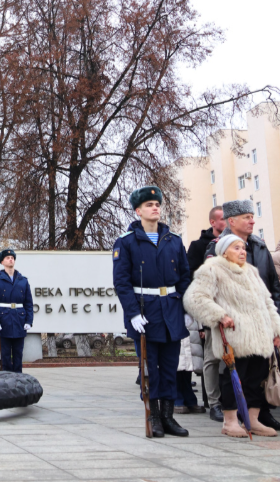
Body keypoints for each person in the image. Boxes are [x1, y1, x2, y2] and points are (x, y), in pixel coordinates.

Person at [112, 186, 191, 438]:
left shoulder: (174, 240)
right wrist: (133, 313)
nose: (155, 207)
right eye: (148, 204)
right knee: (150, 369)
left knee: (170, 367)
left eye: (157, 203)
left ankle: (168, 417)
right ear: (138, 211)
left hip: (171, 311)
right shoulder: (126, 242)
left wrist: (187, 308)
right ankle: (154, 416)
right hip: (145, 313)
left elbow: (185, 278)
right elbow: (122, 282)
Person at [184, 234, 280, 437]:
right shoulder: (212, 269)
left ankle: (252, 421)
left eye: (243, 248)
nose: (242, 251)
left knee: (258, 377)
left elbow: (267, 303)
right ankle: (230, 421)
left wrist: (276, 330)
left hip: (260, 336)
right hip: (235, 335)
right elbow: (195, 298)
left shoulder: (251, 272)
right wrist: (219, 315)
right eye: (236, 248)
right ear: (224, 251)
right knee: (234, 377)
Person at [204, 199, 280, 430]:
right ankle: (231, 418)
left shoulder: (259, 246)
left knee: (259, 370)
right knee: (234, 370)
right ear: (231, 221)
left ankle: (257, 416)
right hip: (233, 323)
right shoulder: (217, 247)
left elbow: (273, 287)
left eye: (252, 216)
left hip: (261, 321)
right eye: (247, 217)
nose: (252, 220)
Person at [187, 205, 226, 422]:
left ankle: (232, 399)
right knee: (211, 356)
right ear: (213, 222)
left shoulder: (240, 244)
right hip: (211, 310)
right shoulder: (200, 246)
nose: (226, 222)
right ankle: (213, 403)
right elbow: (195, 281)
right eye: (222, 219)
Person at [0, 249, 34, 373]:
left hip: (19, 320)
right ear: (2, 262)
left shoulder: (23, 280)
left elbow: (28, 303)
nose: (11, 259)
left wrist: (29, 320)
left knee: (18, 354)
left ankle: (18, 379)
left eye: (12, 257)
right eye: (7, 257)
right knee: (6, 355)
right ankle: (7, 381)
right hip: (4, 320)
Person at [175, 315, 205, 414]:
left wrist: (201, 327)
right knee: (178, 363)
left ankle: (189, 398)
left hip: (191, 321)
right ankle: (177, 399)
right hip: (174, 318)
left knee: (188, 364)